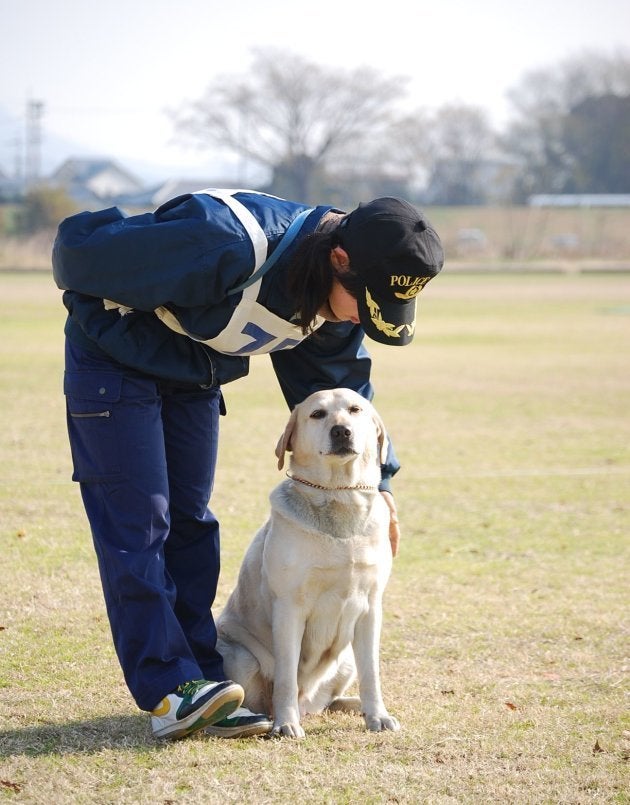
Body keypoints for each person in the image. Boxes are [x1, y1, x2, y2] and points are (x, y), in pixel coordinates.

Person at [52, 189, 444, 740]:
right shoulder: (226, 242)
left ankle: (209, 681)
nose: (362, 318)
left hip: (193, 374)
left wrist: (380, 483)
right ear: (339, 260)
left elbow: (342, 387)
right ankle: (172, 690)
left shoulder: (332, 296)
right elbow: (78, 255)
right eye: (366, 301)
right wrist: (133, 335)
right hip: (112, 366)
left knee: (191, 521)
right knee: (139, 525)